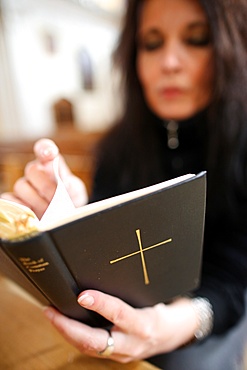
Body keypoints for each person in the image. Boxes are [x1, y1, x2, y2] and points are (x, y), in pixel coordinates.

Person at [2, 0, 247, 369]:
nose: (169, 62)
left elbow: (236, 275)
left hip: (214, 306)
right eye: (152, 43)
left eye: (196, 39)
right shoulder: (117, 146)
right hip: (131, 307)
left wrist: (179, 323)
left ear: (230, 48)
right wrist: (68, 213)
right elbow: (112, 254)